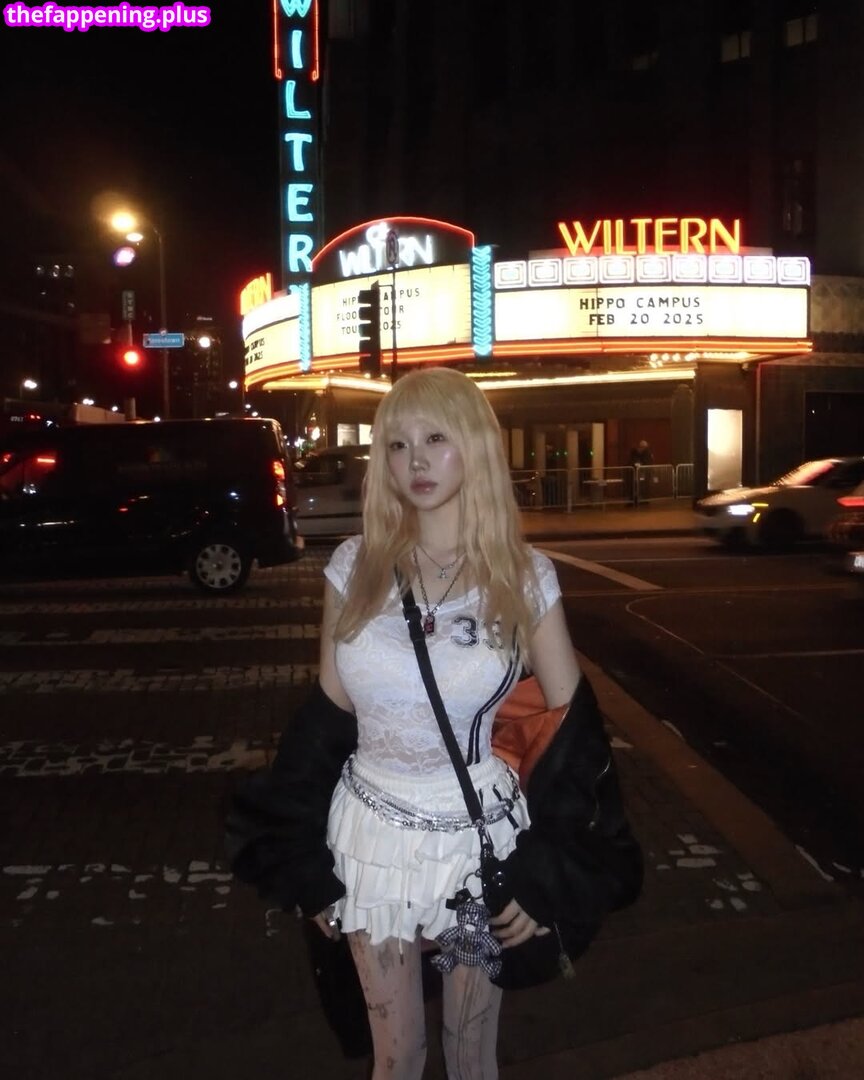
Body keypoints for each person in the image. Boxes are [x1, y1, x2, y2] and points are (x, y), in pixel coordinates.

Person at [229, 367, 642, 1079]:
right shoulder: (355, 566)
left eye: (436, 438)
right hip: (370, 842)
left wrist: (550, 869)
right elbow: (325, 719)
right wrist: (301, 857)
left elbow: (575, 734)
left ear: (474, 446)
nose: (415, 461)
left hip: (474, 848)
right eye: (397, 444)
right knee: (396, 1057)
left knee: (470, 1052)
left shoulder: (523, 575)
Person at [628, 438, 654, 505]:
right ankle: (637, 499)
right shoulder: (636, 452)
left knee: (644, 487)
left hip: (645, 473)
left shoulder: (647, 453)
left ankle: (644, 500)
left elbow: (648, 462)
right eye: (641, 446)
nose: (642, 448)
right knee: (636, 486)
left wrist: (640, 464)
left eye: (643, 447)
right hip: (637, 473)